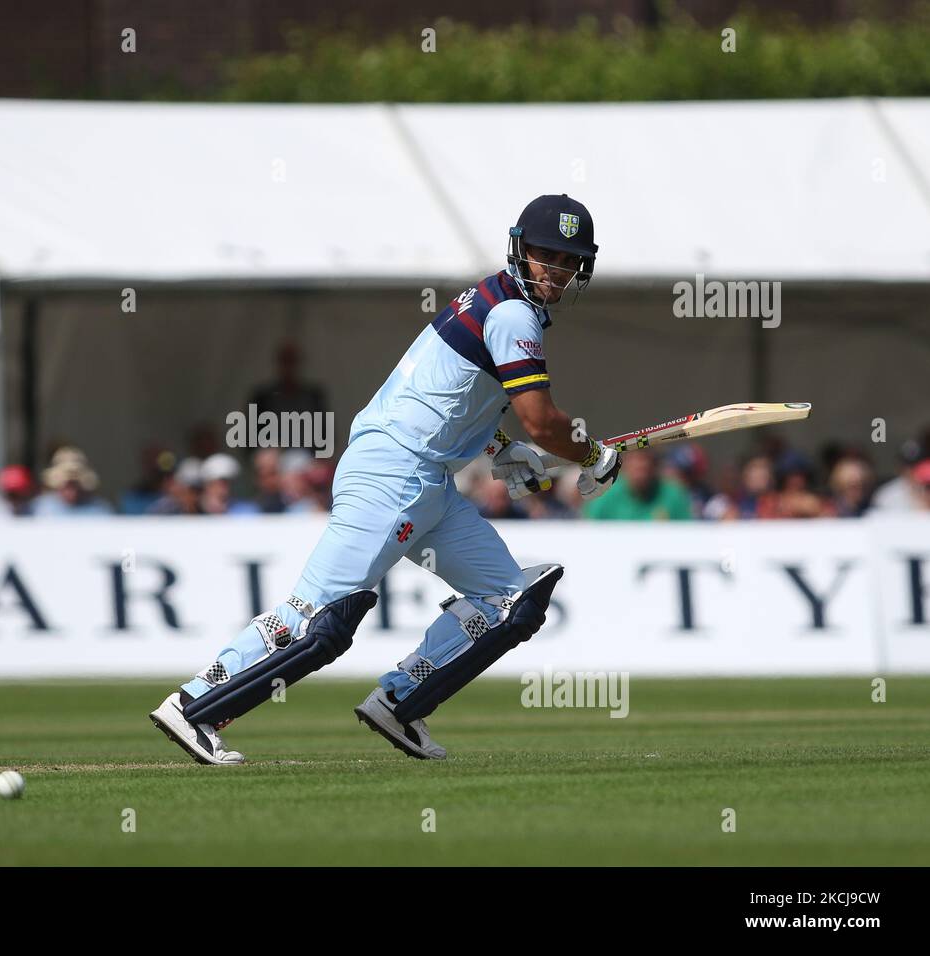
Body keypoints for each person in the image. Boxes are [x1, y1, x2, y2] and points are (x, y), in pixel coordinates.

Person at [150, 194, 618, 764]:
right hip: (392, 471)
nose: (556, 270)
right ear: (521, 249)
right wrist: (593, 455)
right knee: (321, 619)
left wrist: (498, 448)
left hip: (431, 482)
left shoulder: (497, 301)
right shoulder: (512, 313)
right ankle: (195, 703)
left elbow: (452, 393)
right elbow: (542, 418)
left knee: (510, 602)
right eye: (547, 255)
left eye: (568, 261)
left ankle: (399, 701)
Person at [583, 451, 692, 521]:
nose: (641, 465)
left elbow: (688, 533)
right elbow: (589, 532)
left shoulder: (673, 495)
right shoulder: (605, 495)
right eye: (635, 461)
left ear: (654, 465)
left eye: (645, 460)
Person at [32, 447, 114, 516]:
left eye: (75, 484)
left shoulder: (99, 510)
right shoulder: (40, 508)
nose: (72, 491)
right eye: (66, 485)